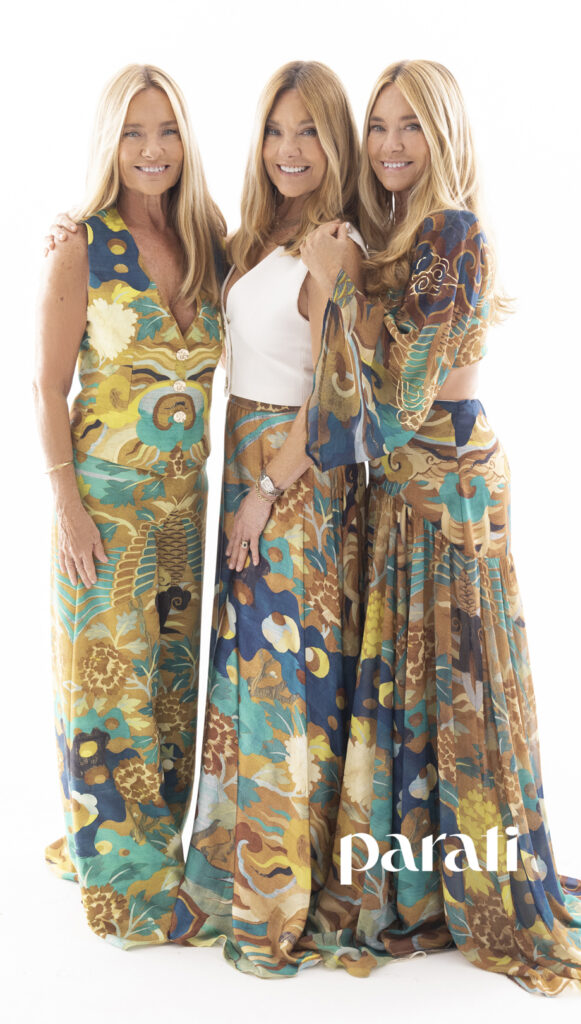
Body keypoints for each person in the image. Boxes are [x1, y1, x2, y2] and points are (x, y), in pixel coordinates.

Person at [299, 60, 581, 995]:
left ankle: (467, 888)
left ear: (445, 136)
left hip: (447, 497)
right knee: (412, 685)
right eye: (378, 125)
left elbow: (399, 400)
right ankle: (415, 884)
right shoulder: (401, 230)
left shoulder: (452, 232)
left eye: (411, 126)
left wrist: (341, 283)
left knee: (457, 687)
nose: (390, 143)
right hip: (405, 494)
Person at [167, 62, 368, 976]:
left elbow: (333, 395)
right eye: (276, 131)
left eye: (308, 131)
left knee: (283, 681)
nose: (289, 149)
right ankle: (233, 870)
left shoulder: (332, 243)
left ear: (335, 143)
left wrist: (264, 491)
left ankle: (276, 898)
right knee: (249, 674)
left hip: (291, 483)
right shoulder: (254, 235)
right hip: (246, 468)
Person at [34, 63, 226, 946]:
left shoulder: (210, 239)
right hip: (105, 514)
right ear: (110, 143)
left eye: (168, 130)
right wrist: (67, 506)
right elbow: (46, 387)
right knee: (107, 698)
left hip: (184, 513)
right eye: (134, 132)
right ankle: (124, 887)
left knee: (171, 696)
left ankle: (160, 854)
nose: (153, 149)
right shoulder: (82, 245)